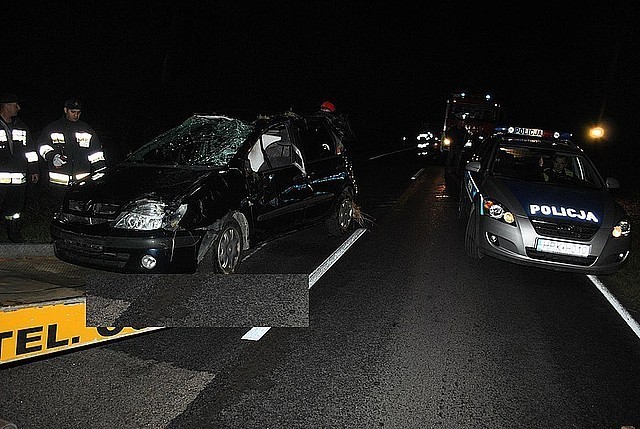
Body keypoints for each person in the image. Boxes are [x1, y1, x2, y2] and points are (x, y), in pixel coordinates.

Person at [37, 98, 106, 212]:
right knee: (58, 212)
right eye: (73, 112)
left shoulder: (87, 130)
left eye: (78, 112)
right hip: (58, 184)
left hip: (81, 183)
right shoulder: (53, 128)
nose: (76, 115)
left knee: (79, 212)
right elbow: (42, 146)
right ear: (65, 110)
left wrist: (102, 172)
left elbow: (96, 154)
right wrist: (53, 156)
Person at [0, 93, 40, 242]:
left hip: (18, 178)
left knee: (15, 209)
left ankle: (14, 234)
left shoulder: (21, 126)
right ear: (6, 106)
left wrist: (34, 169)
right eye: (15, 105)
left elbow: (30, 150)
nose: (19, 108)